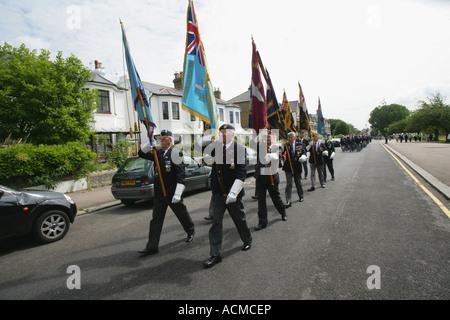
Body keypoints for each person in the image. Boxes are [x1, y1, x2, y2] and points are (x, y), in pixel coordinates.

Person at [197, 124, 252, 269]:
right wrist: (207, 136)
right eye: (221, 132)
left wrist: (233, 193)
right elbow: (199, 148)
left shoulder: (239, 149)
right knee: (216, 223)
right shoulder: (215, 147)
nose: (222, 135)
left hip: (233, 193)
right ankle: (215, 254)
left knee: (240, 219)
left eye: (225, 132)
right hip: (218, 193)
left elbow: (241, 173)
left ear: (232, 134)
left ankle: (247, 240)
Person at [137, 130, 195, 256]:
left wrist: (178, 194)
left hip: (172, 192)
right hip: (159, 194)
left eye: (164, 139)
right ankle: (152, 246)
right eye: (160, 139)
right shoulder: (157, 153)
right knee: (156, 220)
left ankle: (190, 230)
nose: (161, 141)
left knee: (181, 214)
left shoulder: (176, 154)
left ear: (170, 140)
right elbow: (141, 154)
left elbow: (181, 175)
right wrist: (148, 144)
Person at [255, 130, 287, 231]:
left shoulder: (277, 147)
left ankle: (283, 212)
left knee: (275, 197)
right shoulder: (260, 146)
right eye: (266, 138)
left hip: (271, 176)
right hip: (261, 177)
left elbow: (279, 155)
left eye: (269, 138)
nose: (268, 139)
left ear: (273, 138)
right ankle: (262, 221)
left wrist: (272, 156)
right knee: (261, 201)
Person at [283, 132, 306, 208]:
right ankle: (288, 200)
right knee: (289, 184)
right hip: (288, 167)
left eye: (291, 137)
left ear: (294, 138)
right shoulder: (286, 145)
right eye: (289, 137)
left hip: (297, 167)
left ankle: (301, 195)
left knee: (298, 183)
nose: (290, 139)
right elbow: (282, 154)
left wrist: (303, 156)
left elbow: (304, 152)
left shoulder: (299, 145)